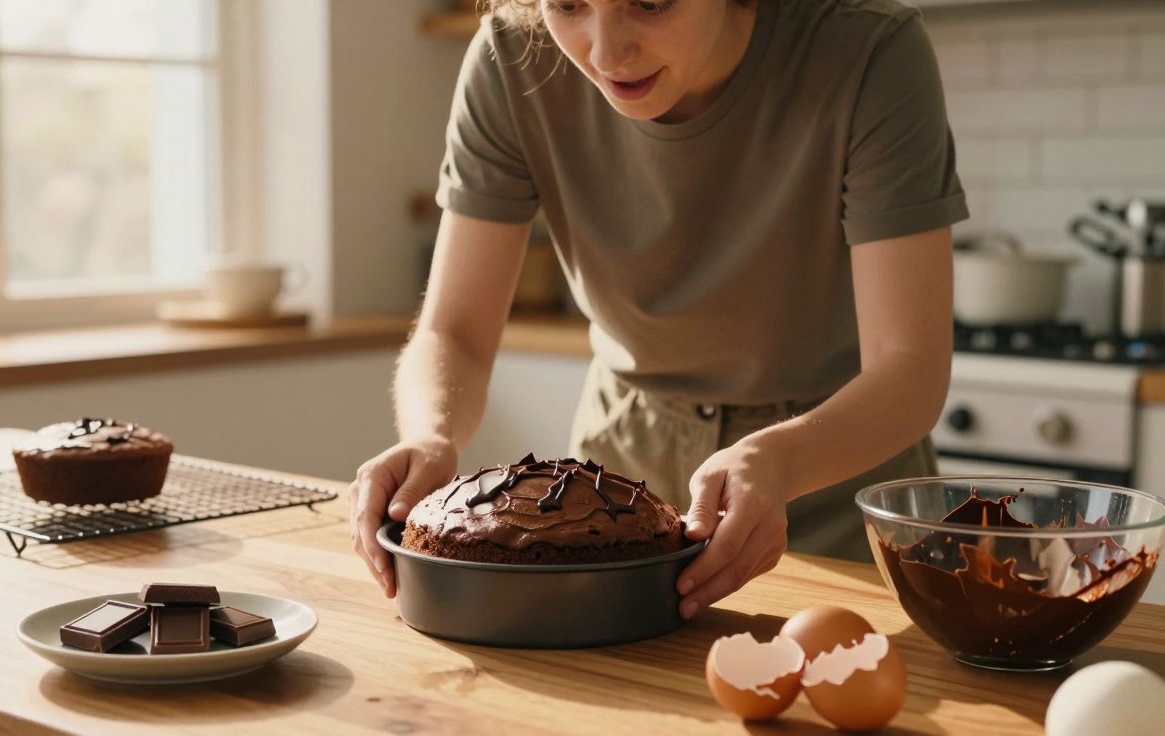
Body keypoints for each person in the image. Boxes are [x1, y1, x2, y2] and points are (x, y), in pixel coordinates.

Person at [350, 0, 966, 620]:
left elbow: (909, 368)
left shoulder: (871, 51)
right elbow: (455, 331)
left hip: (837, 484)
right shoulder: (509, 59)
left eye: (650, 3)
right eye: (568, 5)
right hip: (608, 491)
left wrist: (778, 461)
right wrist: (430, 433)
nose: (606, 52)